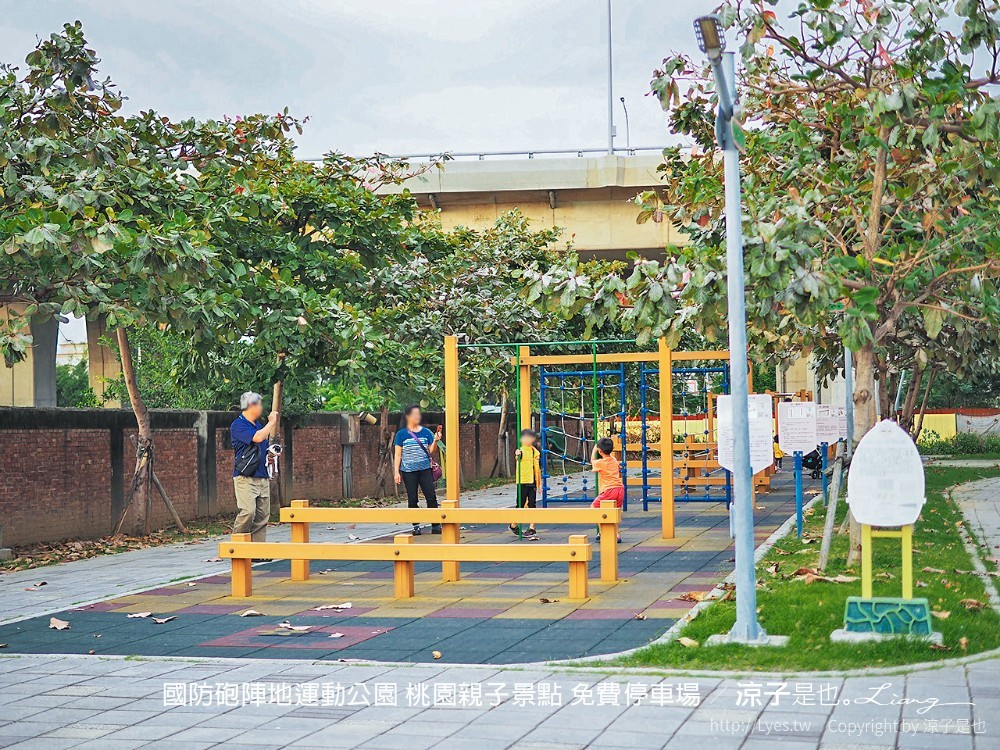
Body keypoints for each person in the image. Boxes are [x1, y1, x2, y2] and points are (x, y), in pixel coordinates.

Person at [231, 392, 278, 542]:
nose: (261, 408)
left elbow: (261, 447)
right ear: (251, 405)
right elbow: (257, 438)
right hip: (245, 478)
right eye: (259, 404)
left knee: (262, 516)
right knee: (248, 512)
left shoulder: (257, 425)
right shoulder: (238, 425)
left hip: (262, 476)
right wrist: (271, 423)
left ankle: (257, 552)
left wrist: (270, 456)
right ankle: (237, 546)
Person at [393, 404, 442, 535]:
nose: (417, 417)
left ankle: (436, 524)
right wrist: (396, 472)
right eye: (414, 414)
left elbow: (431, 451)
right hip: (408, 471)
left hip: (425, 469)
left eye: (418, 414)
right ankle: (416, 525)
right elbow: (398, 455)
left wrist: (436, 441)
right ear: (408, 417)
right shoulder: (401, 434)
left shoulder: (426, 432)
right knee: (412, 498)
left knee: (431, 496)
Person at [590, 437, 624, 543]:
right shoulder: (613, 459)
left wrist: (594, 450)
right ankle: (616, 534)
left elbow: (592, 461)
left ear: (600, 451)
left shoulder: (601, 463)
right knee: (614, 513)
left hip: (609, 490)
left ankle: (602, 531)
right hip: (620, 489)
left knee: (594, 508)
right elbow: (619, 469)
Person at [510, 429, 541, 539]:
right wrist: (517, 454)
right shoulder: (521, 450)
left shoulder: (534, 450)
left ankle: (532, 528)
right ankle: (514, 524)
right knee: (520, 504)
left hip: (532, 481)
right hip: (522, 481)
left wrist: (538, 482)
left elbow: (536, 465)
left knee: (532, 504)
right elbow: (518, 456)